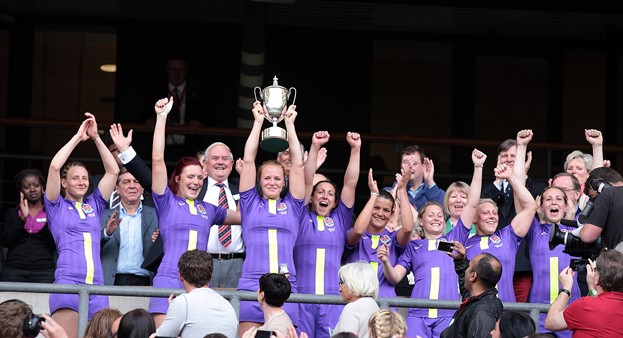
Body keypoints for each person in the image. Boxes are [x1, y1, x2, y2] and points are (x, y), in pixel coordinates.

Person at [149, 97, 240, 326]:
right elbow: (158, 160)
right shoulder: (166, 201)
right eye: (191, 176)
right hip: (169, 278)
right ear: (178, 178)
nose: (196, 182)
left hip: (200, 286)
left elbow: (243, 218)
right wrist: (161, 118)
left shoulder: (208, 209)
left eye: (200, 177)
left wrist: (247, 171)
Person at [377, 150, 482, 337]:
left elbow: (472, 204)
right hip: (418, 316)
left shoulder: (453, 238)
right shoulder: (413, 247)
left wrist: (478, 167)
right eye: (430, 215)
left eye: (440, 215)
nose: (436, 218)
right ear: (421, 221)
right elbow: (394, 277)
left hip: (447, 314)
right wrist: (385, 261)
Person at [44, 113, 118, 338]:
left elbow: (113, 171)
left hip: (97, 286)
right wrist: (78, 137)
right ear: (64, 183)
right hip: (68, 283)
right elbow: (55, 167)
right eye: (75, 178)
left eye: (85, 178)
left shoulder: (94, 205)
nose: (81, 182)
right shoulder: (56, 206)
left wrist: (96, 138)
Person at [237, 101, 306, 335]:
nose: (272, 182)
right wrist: (257, 122)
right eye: (267, 178)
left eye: (277, 178)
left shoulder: (293, 205)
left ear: (284, 181)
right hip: (252, 285)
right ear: (259, 181)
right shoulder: (249, 203)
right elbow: (248, 160)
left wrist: (290, 124)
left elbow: (297, 164)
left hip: (287, 287)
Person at [295, 130, 361, 338]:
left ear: (334, 202)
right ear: (312, 197)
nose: (325, 196)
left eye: (330, 193)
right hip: (301, 299)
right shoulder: (300, 216)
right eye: (320, 192)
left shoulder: (340, 219)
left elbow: (350, 183)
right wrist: (314, 147)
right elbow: (305, 181)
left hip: (332, 300)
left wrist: (355, 150)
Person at [514, 131, 579, 336]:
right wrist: (521, 147)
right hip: (538, 312)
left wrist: (597, 147)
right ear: (540, 207)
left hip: (570, 310)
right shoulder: (533, 230)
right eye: (548, 199)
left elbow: (601, 194)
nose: (553, 203)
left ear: (568, 205)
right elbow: (518, 190)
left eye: (559, 199)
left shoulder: (578, 230)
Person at [463, 147, 538, 303]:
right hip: (474, 313)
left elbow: (530, 206)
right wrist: (478, 167)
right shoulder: (464, 243)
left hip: (504, 311)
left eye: (494, 213)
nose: (492, 216)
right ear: (474, 219)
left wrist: (511, 176)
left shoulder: (506, 236)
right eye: (486, 213)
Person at [480, 135, 547, 303]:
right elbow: (479, 209)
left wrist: (519, 175)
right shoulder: (489, 189)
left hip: (521, 263)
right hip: (493, 261)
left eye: (513, 156)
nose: (508, 159)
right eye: (504, 156)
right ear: (497, 160)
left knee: (519, 315)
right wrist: (498, 181)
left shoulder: (536, 187)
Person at [347, 163, 413, 299]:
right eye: (376, 208)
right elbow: (358, 230)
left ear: (391, 213)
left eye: (386, 210)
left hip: (385, 304)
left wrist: (402, 190)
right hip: (356, 302)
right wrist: (373, 195)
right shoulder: (355, 235)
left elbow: (407, 229)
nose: (380, 213)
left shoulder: (393, 238)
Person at [142, 55, 212, 162]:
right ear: (167, 70)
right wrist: (150, 122)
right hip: (162, 147)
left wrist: (198, 124)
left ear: (186, 70)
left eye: (180, 69)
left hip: (190, 147)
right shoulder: (155, 93)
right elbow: (144, 118)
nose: (176, 73)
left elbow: (209, 120)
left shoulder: (199, 94)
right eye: (173, 69)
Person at [156, 250, 238, 338]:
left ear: (180, 276)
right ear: (211, 277)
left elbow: (160, 335)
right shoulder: (227, 305)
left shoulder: (183, 302)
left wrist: (174, 309)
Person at [544, 249, 623, 336]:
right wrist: (591, 287)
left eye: (596, 271)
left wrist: (566, 288)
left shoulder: (586, 305)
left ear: (598, 278)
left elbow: (550, 322)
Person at [197, 142, 244, 289]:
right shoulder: (195, 190)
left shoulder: (242, 190)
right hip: (203, 263)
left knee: (235, 310)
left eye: (224, 158)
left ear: (231, 163)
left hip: (236, 264)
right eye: (215, 158)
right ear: (204, 163)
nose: (220, 162)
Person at [100, 169, 159, 286]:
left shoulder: (157, 216)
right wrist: (106, 233)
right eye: (126, 182)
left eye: (136, 182)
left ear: (142, 189)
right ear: (117, 189)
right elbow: (90, 247)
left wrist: (159, 242)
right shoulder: (103, 215)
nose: (132, 186)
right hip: (112, 280)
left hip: (146, 281)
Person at [1, 169, 56, 283]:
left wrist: (49, 219)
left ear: (42, 188)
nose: (32, 189)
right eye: (27, 186)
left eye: (36, 185)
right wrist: (22, 219)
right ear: (21, 191)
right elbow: (6, 241)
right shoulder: (13, 213)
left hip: (44, 271)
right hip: (14, 270)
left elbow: (54, 245)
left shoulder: (51, 213)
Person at [440, 252, 503, 338]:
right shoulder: (476, 300)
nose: (466, 269)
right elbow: (466, 288)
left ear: (473, 276)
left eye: (468, 266)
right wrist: (461, 260)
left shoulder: (483, 312)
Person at [384, 145, 445, 210]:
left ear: (423, 166)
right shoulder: (388, 191)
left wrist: (430, 181)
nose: (410, 167)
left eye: (414, 163)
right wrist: (398, 189)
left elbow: (445, 213)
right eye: (406, 163)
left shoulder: (437, 193)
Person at [577, 167, 623, 249]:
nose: (595, 203)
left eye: (595, 198)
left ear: (602, 186)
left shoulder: (608, 193)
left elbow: (587, 236)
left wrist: (578, 231)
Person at [333, 262, 380, 338]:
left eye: (342, 282)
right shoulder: (374, 306)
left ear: (353, 282)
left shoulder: (352, 308)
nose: (340, 289)